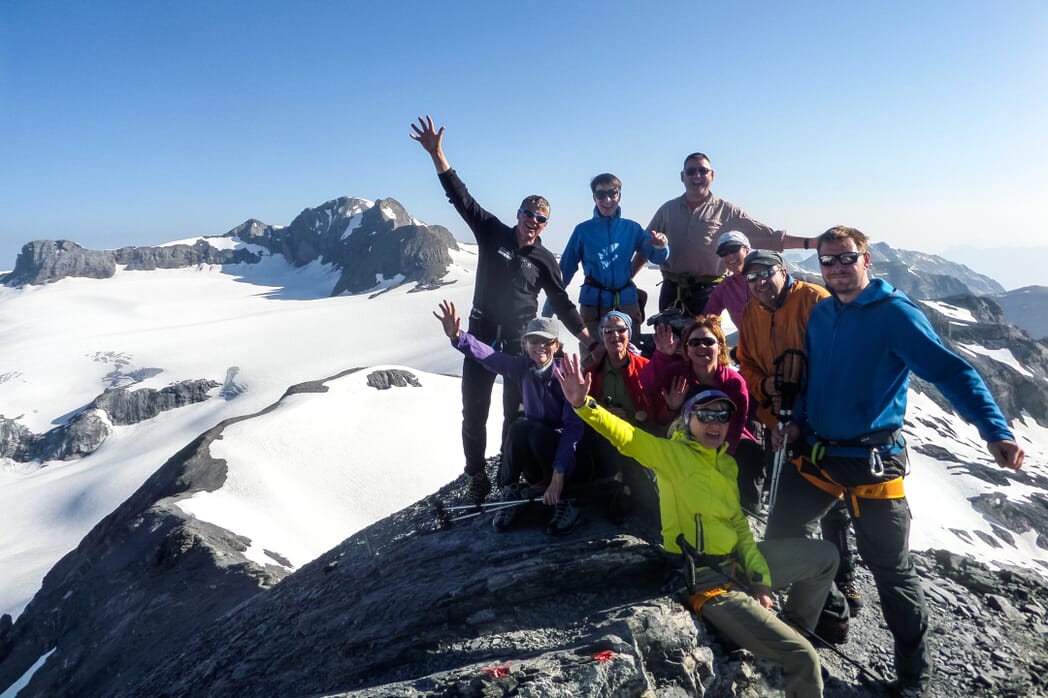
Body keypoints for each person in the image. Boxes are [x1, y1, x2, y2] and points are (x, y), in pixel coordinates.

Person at [767, 226, 1026, 697]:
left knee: (891, 571)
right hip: (820, 453)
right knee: (781, 533)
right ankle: (827, 617)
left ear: (867, 260)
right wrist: (799, 422)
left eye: (846, 258)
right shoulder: (822, 314)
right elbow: (813, 379)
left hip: (872, 462)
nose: (837, 268)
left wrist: (996, 431)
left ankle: (913, 680)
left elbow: (952, 372)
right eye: (828, 261)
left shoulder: (895, 314)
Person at [556, 356, 840, 698]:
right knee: (804, 659)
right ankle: (788, 651)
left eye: (723, 415)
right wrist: (584, 405)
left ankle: (787, 630)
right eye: (705, 413)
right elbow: (627, 437)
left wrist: (761, 580)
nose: (715, 422)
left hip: (736, 564)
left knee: (826, 556)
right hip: (704, 582)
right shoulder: (671, 457)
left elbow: (740, 528)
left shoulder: (727, 466)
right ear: (688, 418)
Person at [411, 115, 598, 503]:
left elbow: (561, 300)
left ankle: (510, 477)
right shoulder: (491, 231)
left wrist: (584, 335)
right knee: (473, 412)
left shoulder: (545, 259)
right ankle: (477, 477)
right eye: (529, 214)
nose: (533, 222)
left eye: (541, 219)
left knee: (514, 416)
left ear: (545, 226)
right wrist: (437, 154)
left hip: (520, 342)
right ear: (518, 215)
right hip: (481, 330)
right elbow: (460, 198)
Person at [734, 249, 860, 613]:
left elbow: (837, 362)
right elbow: (748, 365)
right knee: (795, 505)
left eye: (766, 274)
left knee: (829, 502)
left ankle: (838, 581)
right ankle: (820, 590)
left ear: (783, 270)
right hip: (782, 422)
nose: (760, 284)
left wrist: (796, 401)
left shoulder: (814, 301)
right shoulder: (751, 313)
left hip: (822, 425)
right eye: (752, 279)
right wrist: (766, 387)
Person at [434, 300, 589, 535]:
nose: (540, 347)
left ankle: (566, 499)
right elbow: (490, 356)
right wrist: (458, 337)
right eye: (534, 341)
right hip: (539, 458)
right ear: (525, 344)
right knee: (519, 426)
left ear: (556, 346)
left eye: (546, 341)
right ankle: (511, 491)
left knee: (534, 430)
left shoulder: (566, 375)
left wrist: (558, 475)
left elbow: (573, 429)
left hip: (568, 463)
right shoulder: (522, 368)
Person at [647, 152, 816, 316]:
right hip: (671, 291)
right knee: (667, 342)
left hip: (708, 293)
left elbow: (769, 237)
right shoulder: (667, 210)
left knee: (706, 342)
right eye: (691, 171)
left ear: (712, 175)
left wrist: (812, 244)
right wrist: (630, 277)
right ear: (682, 176)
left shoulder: (727, 211)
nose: (697, 175)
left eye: (703, 170)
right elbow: (644, 245)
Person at [641, 315, 765, 513]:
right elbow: (647, 384)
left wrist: (719, 458)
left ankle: (747, 507)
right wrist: (662, 355)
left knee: (750, 451)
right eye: (694, 342)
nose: (701, 347)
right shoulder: (677, 372)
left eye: (708, 341)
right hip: (685, 437)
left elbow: (736, 424)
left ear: (720, 346)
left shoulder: (733, 381)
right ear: (686, 349)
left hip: (723, 439)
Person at [543, 173, 669, 361]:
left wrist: (661, 247)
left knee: (630, 357)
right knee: (592, 359)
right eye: (601, 195)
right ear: (594, 198)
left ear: (619, 195)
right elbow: (565, 270)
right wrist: (548, 308)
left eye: (613, 193)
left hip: (626, 302)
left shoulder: (631, 228)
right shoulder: (583, 231)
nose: (607, 199)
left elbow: (656, 257)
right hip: (593, 305)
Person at [582, 310, 662, 524]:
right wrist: (604, 413)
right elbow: (581, 408)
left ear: (629, 333)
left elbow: (659, 411)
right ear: (601, 335)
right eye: (608, 330)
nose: (615, 335)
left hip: (638, 435)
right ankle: (624, 488)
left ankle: (627, 489)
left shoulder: (646, 367)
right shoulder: (591, 373)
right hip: (605, 438)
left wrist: (641, 418)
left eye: (621, 329)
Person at [704, 231, 752, 328]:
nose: (730, 256)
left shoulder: (767, 275)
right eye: (724, 252)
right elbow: (707, 318)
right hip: (749, 342)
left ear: (746, 250)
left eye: (734, 249)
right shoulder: (724, 288)